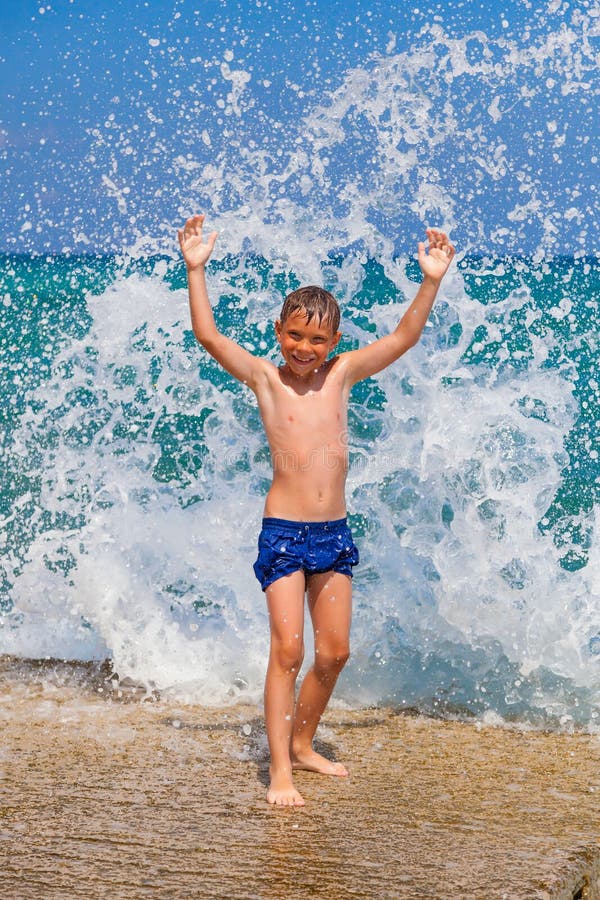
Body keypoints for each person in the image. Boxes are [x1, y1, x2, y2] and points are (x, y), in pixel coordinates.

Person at [178, 214, 455, 806]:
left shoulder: (343, 375)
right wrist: (196, 270)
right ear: (278, 331)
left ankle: (303, 744)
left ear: (334, 342)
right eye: (295, 336)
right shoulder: (264, 380)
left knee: (334, 652)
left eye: (317, 340)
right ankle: (279, 768)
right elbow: (207, 336)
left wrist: (429, 280)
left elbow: (403, 338)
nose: (304, 349)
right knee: (288, 650)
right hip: (283, 533)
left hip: (333, 534)